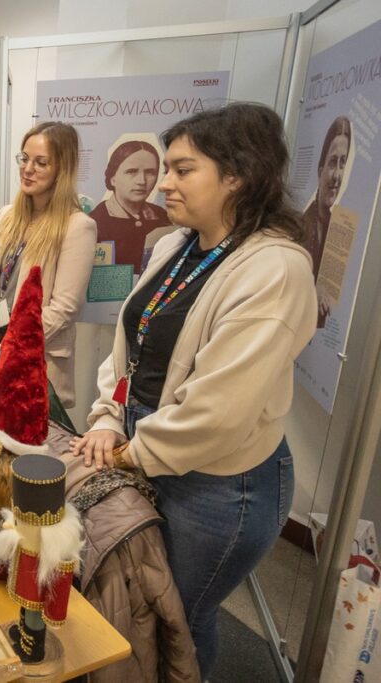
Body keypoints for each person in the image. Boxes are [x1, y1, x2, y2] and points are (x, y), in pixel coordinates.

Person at [69, 103, 316, 678]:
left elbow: (219, 412)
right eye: (167, 169)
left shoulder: (275, 270)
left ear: (239, 175)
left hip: (219, 485)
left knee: (180, 613)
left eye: (184, 170)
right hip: (147, 448)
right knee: (140, 600)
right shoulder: (175, 246)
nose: (164, 181)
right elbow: (131, 345)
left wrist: (128, 455)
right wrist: (108, 417)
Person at [0, 122, 96, 409]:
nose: (27, 169)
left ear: (61, 169)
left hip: (36, 365)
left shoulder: (78, 227)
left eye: (41, 163)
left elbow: (62, 311)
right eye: (24, 159)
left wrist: (8, 350)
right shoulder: (7, 216)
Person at [89, 140, 172, 273]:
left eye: (150, 172)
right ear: (113, 178)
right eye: (131, 171)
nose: (141, 181)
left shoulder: (163, 218)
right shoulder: (94, 222)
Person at [302, 115, 352, 328]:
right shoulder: (300, 226)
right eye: (333, 162)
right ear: (320, 171)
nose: (337, 175)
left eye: (343, 163)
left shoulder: (340, 228)